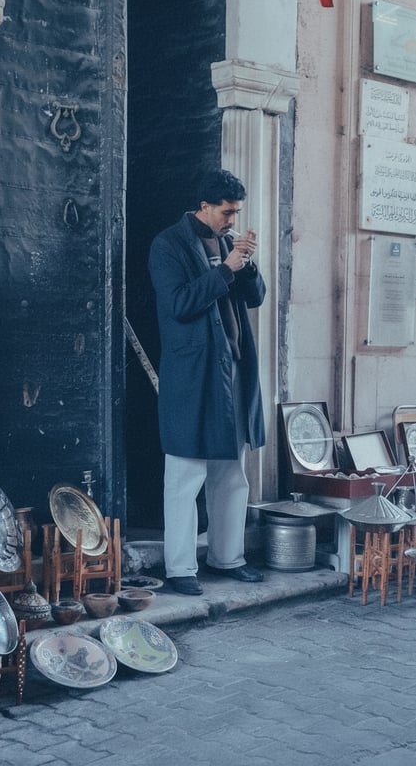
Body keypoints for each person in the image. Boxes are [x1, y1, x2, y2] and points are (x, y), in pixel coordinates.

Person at [148, 169, 266, 595]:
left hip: (232, 372)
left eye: (236, 212)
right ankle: (180, 570)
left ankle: (227, 557)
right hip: (193, 376)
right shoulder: (168, 245)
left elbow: (255, 298)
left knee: (233, 474)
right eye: (227, 212)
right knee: (185, 474)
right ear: (204, 206)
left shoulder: (230, 244)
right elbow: (179, 305)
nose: (233, 219)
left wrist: (245, 265)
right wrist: (226, 270)